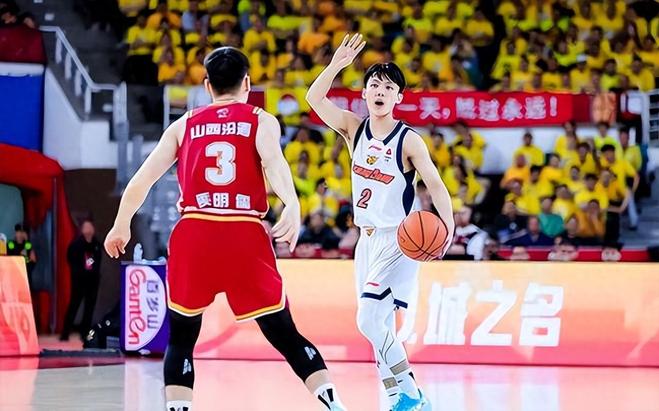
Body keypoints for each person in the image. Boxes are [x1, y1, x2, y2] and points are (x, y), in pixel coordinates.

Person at [105, 47, 346, 411]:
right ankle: (333, 403)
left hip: (195, 231)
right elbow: (274, 163)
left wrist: (121, 224)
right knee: (284, 332)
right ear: (247, 83)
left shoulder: (183, 124)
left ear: (207, 86)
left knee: (182, 337)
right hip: (243, 231)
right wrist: (292, 204)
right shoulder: (261, 120)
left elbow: (142, 180)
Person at [307, 33, 454, 411]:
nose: (380, 91)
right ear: (364, 93)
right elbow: (313, 99)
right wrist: (336, 65)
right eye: (374, 84)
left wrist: (448, 230)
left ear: (398, 97)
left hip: (399, 240)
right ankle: (398, 400)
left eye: (389, 87)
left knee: (369, 319)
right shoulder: (353, 128)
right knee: (377, 326)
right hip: (366, 241)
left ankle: (412, 392)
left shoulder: (409, 140)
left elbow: (436, 185)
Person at [60, 219, 102, 341]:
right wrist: (77, 271)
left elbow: (98, 260)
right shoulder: (76, 245)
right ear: (82, 229)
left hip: (92, 280)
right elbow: (70, 258)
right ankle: (65, 333)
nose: (88, 230)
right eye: (86, 227)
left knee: (89, 308)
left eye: (90, 227)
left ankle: (84, 333)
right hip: (79, 280)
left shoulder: (96, 244)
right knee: (74, 305)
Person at [7, 223, 36, 287]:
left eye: (22, 232)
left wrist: (27, 240)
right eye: (18, 232)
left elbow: (33, 261)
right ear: (16, 233)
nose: (20, 234)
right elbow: (11, 257)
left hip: (25, 276)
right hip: (14, 276)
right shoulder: (10, 244)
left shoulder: (28, 244)